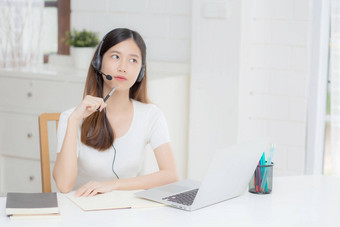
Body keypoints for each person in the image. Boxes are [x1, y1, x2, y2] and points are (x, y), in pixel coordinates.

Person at [53, 28, 178, 197]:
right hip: (83, 210)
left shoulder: (151, 115)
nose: (123, 68)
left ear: (141, 71)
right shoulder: (70, 117)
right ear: (98, 62)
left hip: (128, 211)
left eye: (133, 60)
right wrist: (74, 120)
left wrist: (113, 185)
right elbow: (63, 185)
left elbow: (171, 175)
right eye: (115, 56)